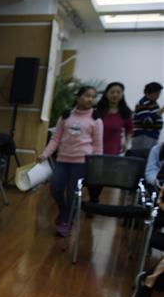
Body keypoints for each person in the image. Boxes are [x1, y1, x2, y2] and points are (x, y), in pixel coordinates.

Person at [38, 87, 103, 236]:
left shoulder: (96, 119)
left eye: (93, 97)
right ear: (78, 97)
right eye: (87, 96)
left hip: (82, 162)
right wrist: (45, 154)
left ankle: (67, 220)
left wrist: (97, 166)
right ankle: (64, 211)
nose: (90, 99)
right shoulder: (66, 116)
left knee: (73, 193)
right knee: (55, 188)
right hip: (63, 159)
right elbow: (56, 139)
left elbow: (98, 145)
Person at [89, 82, 133, 203]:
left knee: (102, 176)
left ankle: (94, 199)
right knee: (92, 175)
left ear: (122, 95)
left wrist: (126, 142)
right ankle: (92, 199)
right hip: (93, 148)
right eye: (112, 92)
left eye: (118, 92)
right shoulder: (97, 110)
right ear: (106, 94)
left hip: (112, 150)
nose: (115, 95)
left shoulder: (125, 113)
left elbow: (129, 129)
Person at [132, 81, 163, 151]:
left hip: (151, 137)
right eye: (156, 93)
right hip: (143, 137)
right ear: (149, 93)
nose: (158, 96)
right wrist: (160, 111)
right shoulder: (143, 103)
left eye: (159, 93)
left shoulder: (153, 104)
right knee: (142, 156)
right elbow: (147, 122)